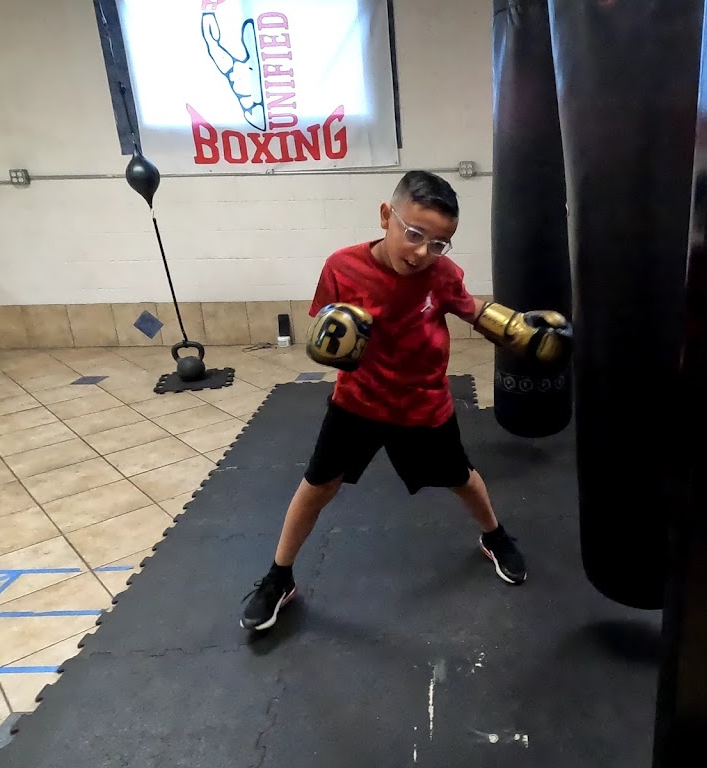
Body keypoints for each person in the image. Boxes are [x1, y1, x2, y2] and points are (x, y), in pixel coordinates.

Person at [240, 170, 572, 631]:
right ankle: (280, 577)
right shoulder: (342, 266)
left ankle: (494, 537)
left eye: (438, 243)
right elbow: (324, 324)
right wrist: (328, 345)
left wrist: (520, 332)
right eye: (414, 234)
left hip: (423, 405)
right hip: (357, 403)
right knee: (316, 487)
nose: (421, 252)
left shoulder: (443, 275)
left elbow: (473, 311)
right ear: (385, 216)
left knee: (462, 478)